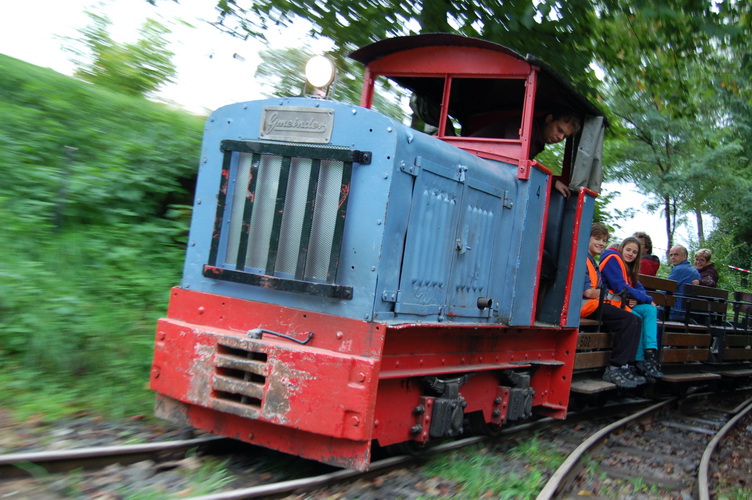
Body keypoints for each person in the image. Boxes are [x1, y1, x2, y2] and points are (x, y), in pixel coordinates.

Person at [581, 223, 644, 388]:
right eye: (597, 239)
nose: (601, 243)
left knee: (635, 320)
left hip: (596, 302)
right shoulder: (582, 260)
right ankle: (614, 368)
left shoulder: (592, 261)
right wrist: (609, 294)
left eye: (603, 240)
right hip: (586, 305)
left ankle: (625, 366)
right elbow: (588, 292)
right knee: (628, 320)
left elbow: (599, 290)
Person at [471, 108, 582, 198]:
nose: (560, 137)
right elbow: (513, 163)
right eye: (559, 130)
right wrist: (552, 182)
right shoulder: (524, 127)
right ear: (549, 119)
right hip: (472, 164)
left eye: (565, 136)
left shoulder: (537, 139)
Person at [599, 237, 663, 380]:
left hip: (624, 303)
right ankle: (634, 360)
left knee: (650, 310)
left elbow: (639, 290)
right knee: (636, 317)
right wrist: (645, 299)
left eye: (634, 252)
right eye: (628, 250)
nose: (630, 254)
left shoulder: (629, 269)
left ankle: (649, 355)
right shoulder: (614, 262)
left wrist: (639, 299)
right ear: (621, 248)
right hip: (613, 303)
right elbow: (619, 287)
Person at [667, 245, 701, 320]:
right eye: (671, 255)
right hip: (688, 311)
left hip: (675, 311)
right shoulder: (695, 271)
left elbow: (665, 289)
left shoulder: (679, 269)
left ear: (685, 256)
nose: (672, 257)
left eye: (676, 254)